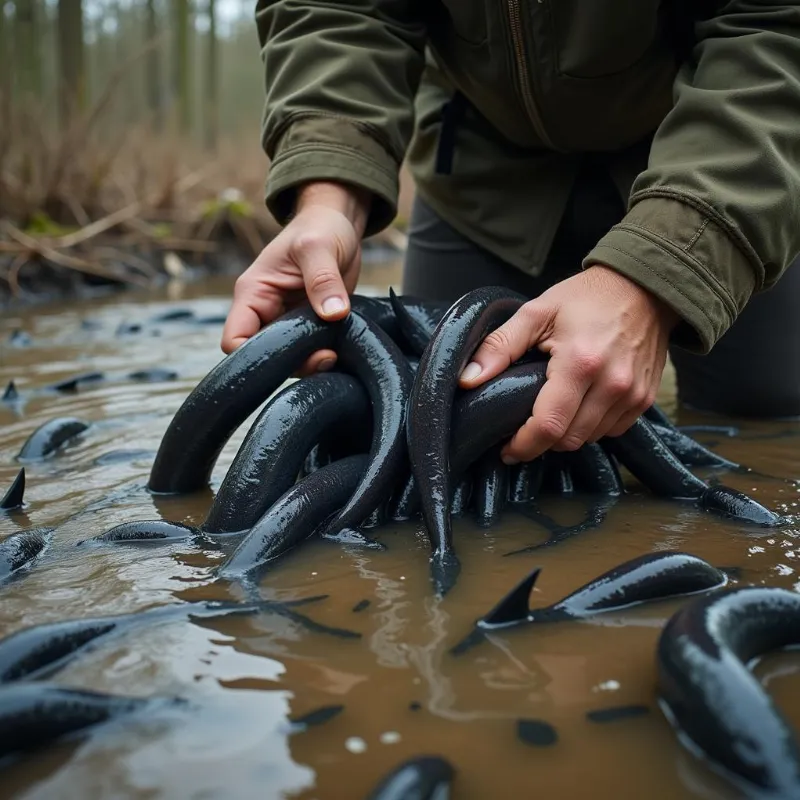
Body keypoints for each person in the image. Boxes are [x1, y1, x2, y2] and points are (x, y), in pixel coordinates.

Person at [222, 0, 800, 467]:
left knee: (767, 412)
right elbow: (341, 10)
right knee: (441, 418)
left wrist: (664, 272)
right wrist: (330, 195)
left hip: (709, 150)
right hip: (478, 163)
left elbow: (776, 28)